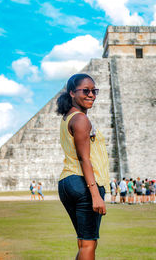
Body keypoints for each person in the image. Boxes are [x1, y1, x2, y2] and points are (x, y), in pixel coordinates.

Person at [56, 74, 109, 260]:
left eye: (94, 91)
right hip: (83, 183)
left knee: (83, 242)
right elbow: (84, 158)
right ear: (71, 92)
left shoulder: (68, 117)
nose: (91, 95)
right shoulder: (81, 120)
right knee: (89, 244)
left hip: (67, 182)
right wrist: (95, 195)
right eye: (85, 90)